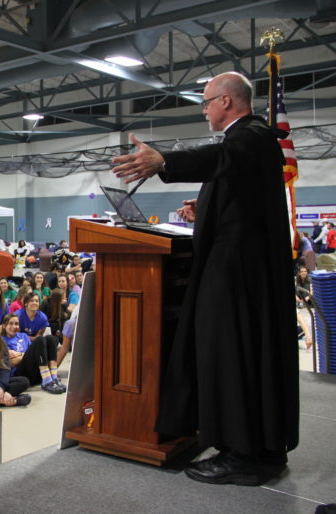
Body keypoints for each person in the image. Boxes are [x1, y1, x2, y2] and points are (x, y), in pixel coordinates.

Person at [111, 71, 298, 486]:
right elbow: (240, 193)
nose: (204, 110)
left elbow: (221, 158)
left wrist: (164, 161)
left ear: (227, 101)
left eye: (207, 102)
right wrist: (207, 208)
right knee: (241, 355)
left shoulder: (248, 136)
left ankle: (241, 453)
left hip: (236, 277)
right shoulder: (250, 141)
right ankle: (256, 445)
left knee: (230, 355)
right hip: (243, 272)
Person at [1, 314, 64, 394]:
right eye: (10, 323)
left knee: (50, 338)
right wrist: (27, 355)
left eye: (16, 324)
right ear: (4, 326)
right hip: (20, 374)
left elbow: (36, 353)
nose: (14, 326)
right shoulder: (2, 341)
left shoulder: (23, 336)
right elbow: (12, 362)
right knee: (39, 340)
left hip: (34, 371)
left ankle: (53, 378)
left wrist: (20, 354)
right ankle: (47, 381)